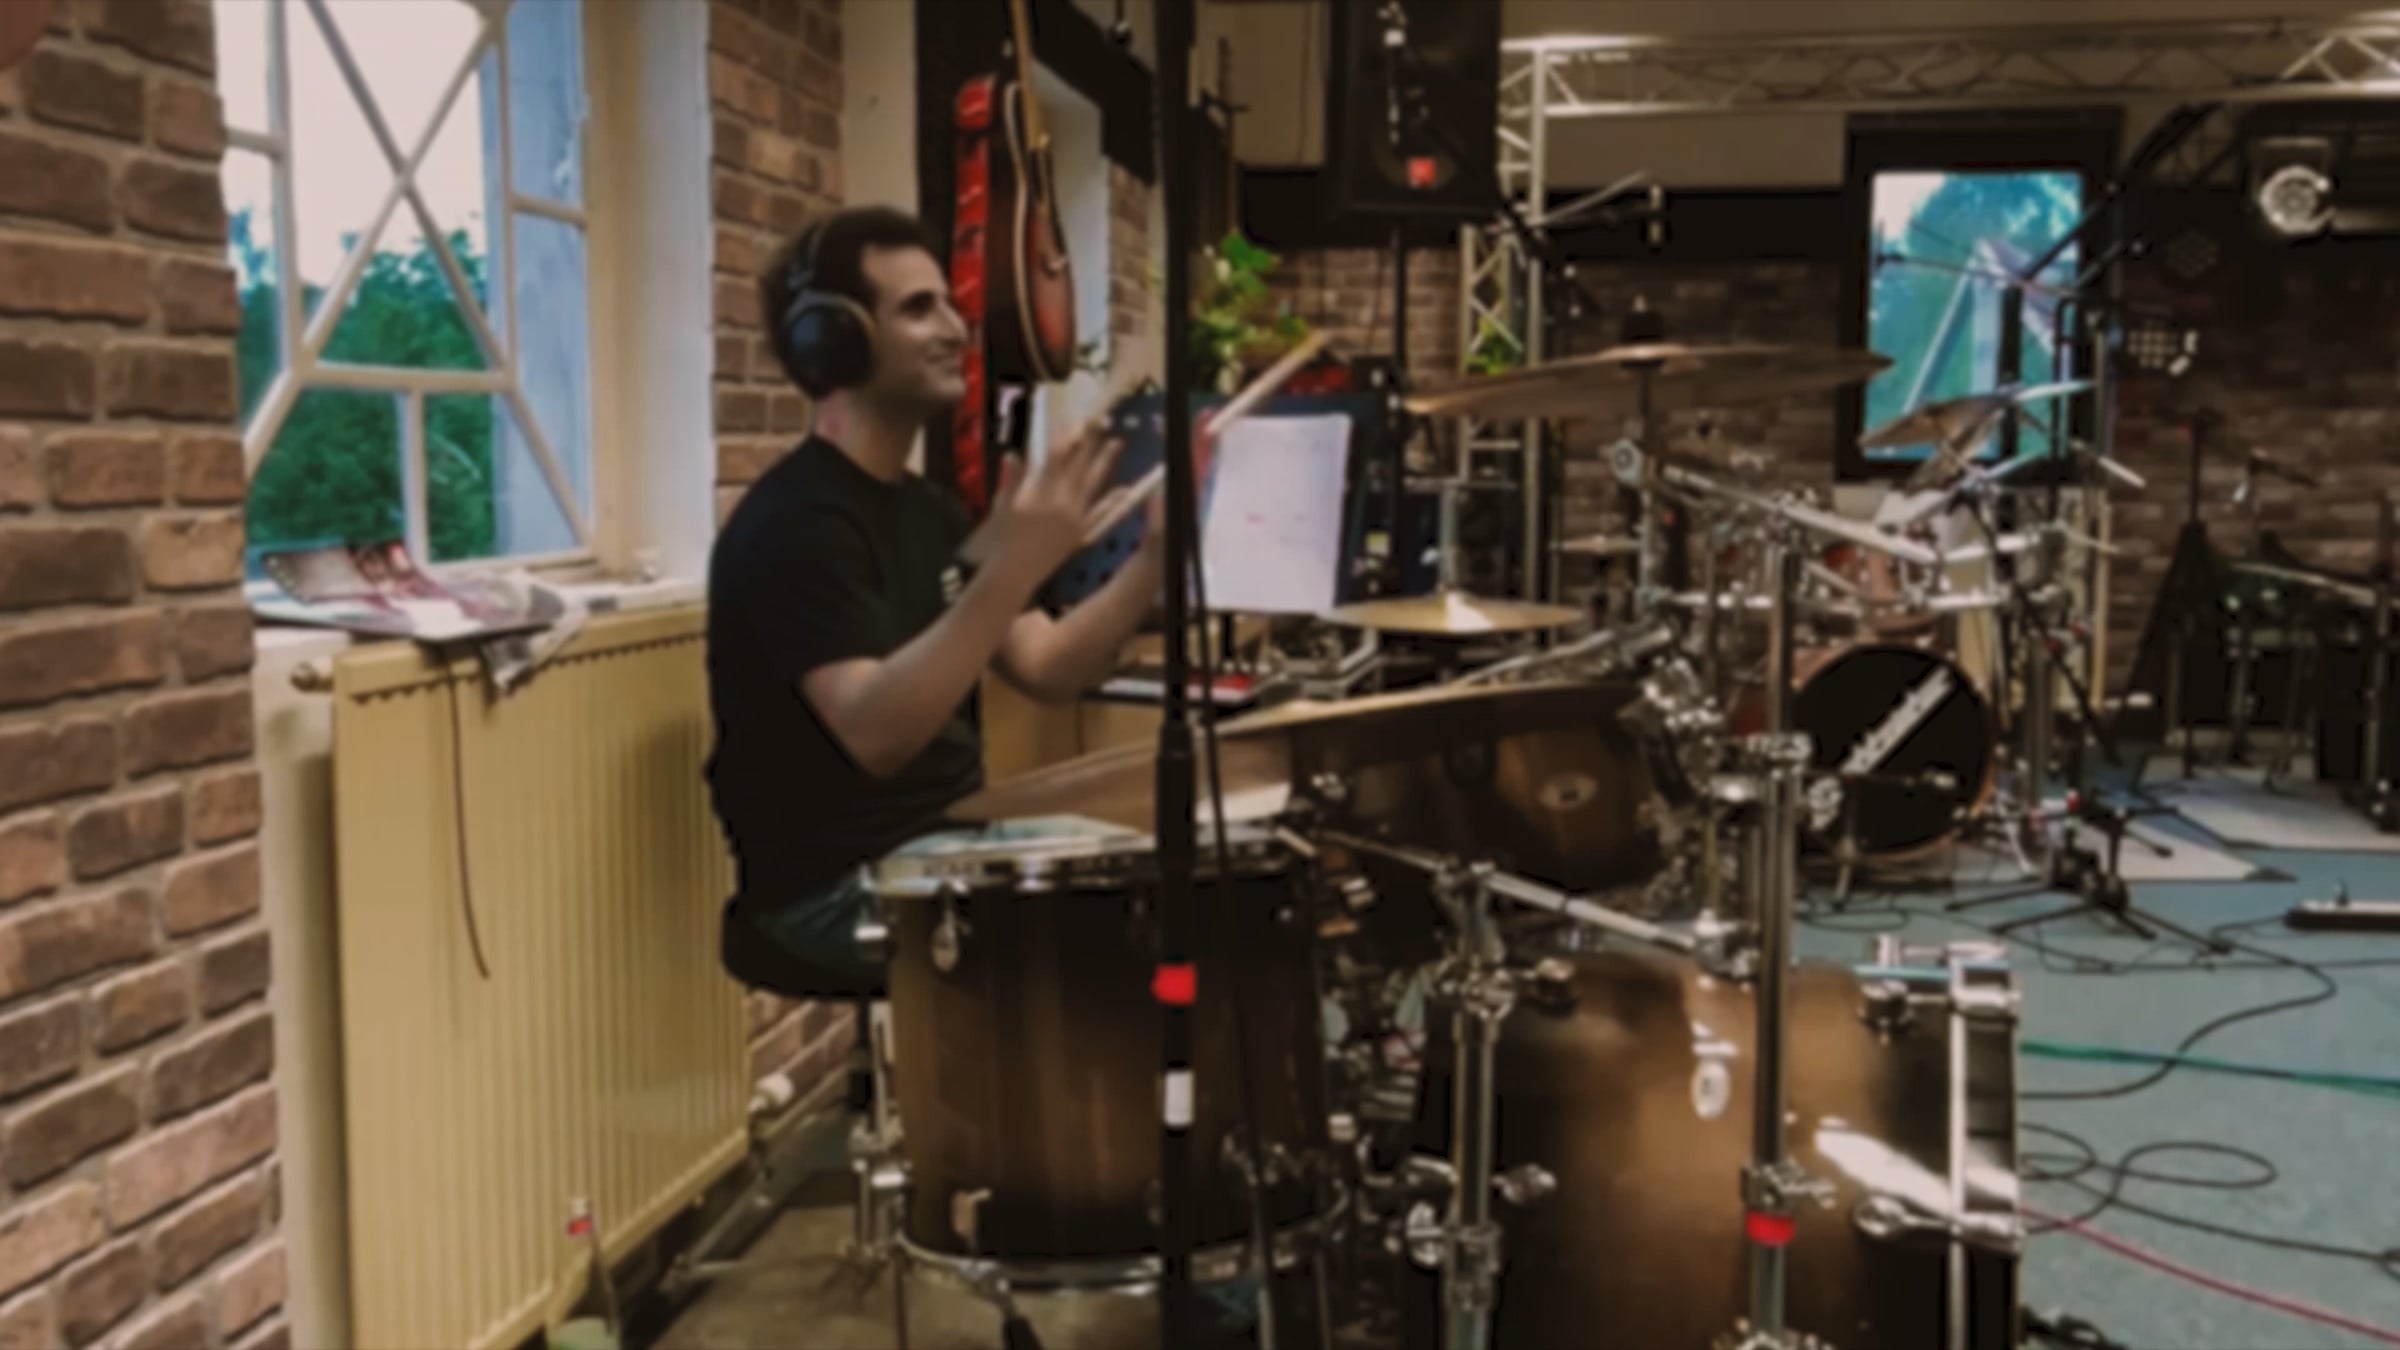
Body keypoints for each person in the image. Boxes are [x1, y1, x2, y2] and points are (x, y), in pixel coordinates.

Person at [706, 205, 1166, 996]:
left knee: (1166, 888)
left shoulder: (934, 512)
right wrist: (1015, 566)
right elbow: (877, 733)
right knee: (1111, 946)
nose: (956, 330)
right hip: (834, 887)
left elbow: (1049, 666)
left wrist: (1157, 558)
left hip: (950, 847)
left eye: (951, 305)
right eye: (920, 309)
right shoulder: (797, 524)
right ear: (837, 342)